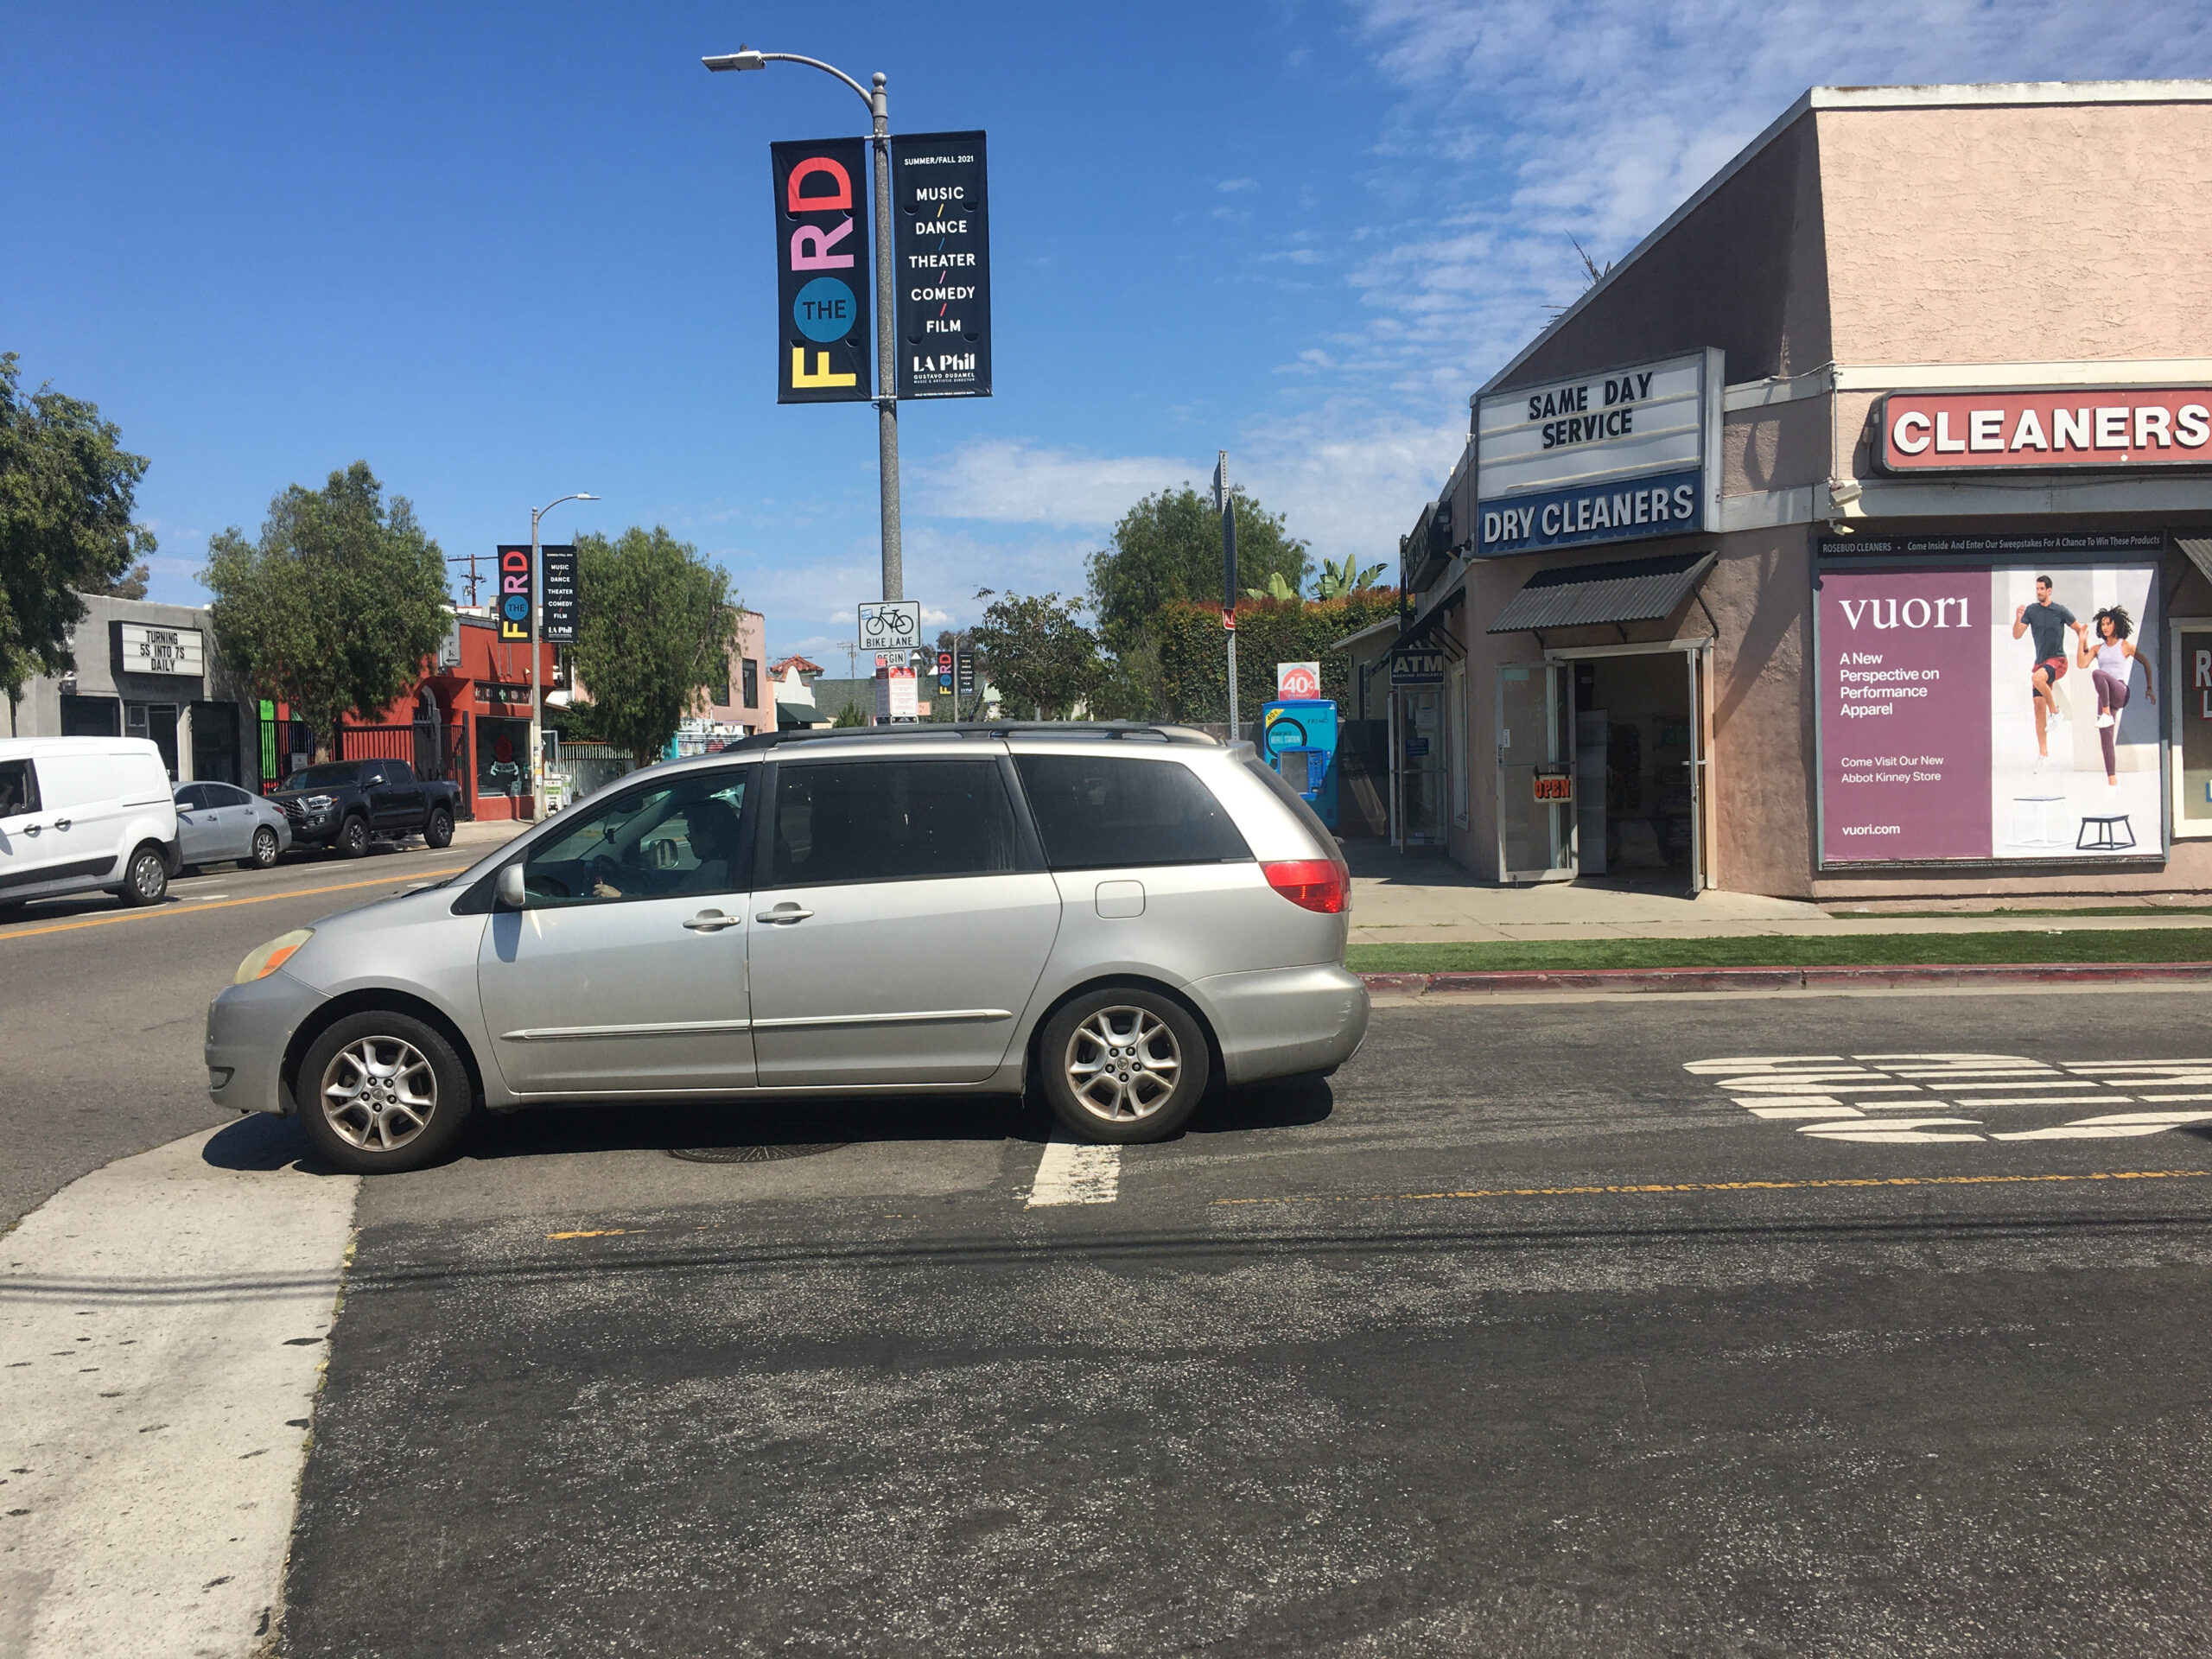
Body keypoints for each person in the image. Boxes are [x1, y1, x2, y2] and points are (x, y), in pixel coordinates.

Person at [2076, 605, 2155, 787]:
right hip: (2105, 697)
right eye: (2102, 624)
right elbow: (2081, 664)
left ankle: (2105, 712)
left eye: (2108, 623)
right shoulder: (2097, 648)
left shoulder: (2124, 645)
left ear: (2116, 625)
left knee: (2098, 674)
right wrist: (2081, 641)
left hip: (2120, 691)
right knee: (2105, 738)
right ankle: (2112, 778)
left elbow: (2146, 663)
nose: (2105, 627)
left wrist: (2149, 687)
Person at [2012, 575, 2086, 762]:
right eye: (2037, 589)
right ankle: (2043, 754)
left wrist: (2084, 647)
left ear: (2049, 590)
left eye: (2042, 589)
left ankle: (2056, 712)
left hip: (2058, 661)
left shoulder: (2060, 610)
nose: (2039, 592)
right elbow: (2017, 635)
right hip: (2041, 663)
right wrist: (2018, 618)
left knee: (2037, 678)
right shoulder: (2031, 610)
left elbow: (2079, 628)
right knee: (2038, 707)